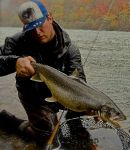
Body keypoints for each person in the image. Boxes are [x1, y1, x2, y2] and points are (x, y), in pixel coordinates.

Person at [0, 0, 86, 149]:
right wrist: (14, 62)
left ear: (49, 17)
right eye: (31, 29)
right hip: (33, 96)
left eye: (40, 25)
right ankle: (9, 121)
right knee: (47, 137)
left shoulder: (70, 50)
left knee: (75, 131)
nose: (37, 33)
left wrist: (89, 108)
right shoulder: (17, 42)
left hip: (63, 95)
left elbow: (80, 85)